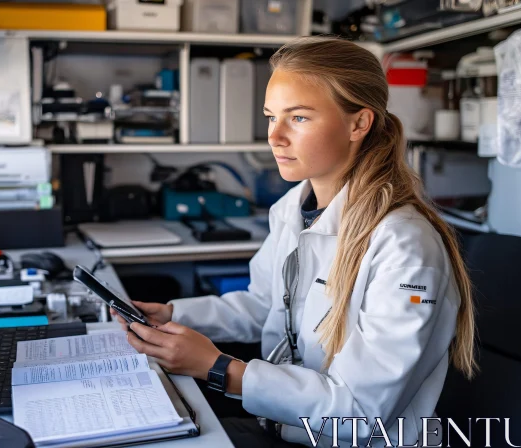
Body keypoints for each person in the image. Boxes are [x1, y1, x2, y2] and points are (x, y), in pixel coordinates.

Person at [112, 36, 477, 447]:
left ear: (359, 123)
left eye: (299, 118)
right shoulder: (295, 206)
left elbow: (358, 410)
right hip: (285, 428)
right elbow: (265, 304)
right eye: (271, 117)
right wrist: (172, 313)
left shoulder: (405, 247)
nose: (275, 136)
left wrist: (216, 367)